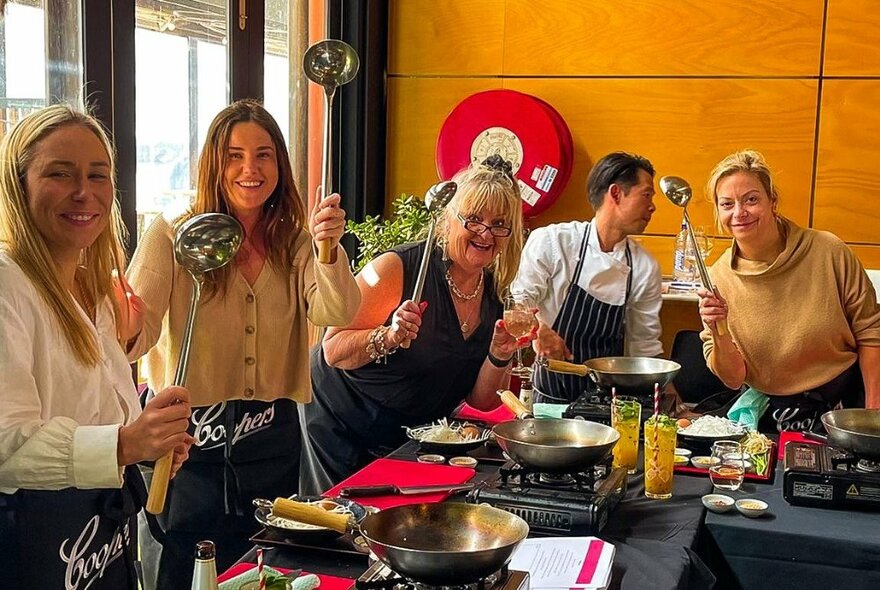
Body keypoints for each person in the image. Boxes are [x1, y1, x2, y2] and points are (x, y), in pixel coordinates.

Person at [125, 99, 360, 585]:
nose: (250, 169)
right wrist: (114, 320)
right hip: (190, 439)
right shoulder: (174, 233)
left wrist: (328, 249)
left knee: (260, 565)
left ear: (280, 163)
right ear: (214, 162)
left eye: (264, 154)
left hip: (272, 433)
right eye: (234, 155)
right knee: (190, 564)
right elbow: (136, 333)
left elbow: (336, 312)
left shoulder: (294, 239)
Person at [0, 105, 193, 589]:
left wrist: (148, 443)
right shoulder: (7, 286)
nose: (84, 192)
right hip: (35, 544)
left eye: (98, 175)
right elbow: (5, 445)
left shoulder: (95, 291)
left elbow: (98, 415)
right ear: (19, 185)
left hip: (101, 539)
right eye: (59, 174)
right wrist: (124, 443)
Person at [300, 156, 527, 494]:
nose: (485, 233)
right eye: (474, 219)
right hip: (342, 420)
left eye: (498, 223)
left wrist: (499, 353)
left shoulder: (495, 291)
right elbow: (333, 350)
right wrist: (388, 336)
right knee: (344, 527)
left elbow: (481, 402)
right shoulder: (399, 268)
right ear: (449, 220)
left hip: (408, 436)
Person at [697, 149, 880, 432]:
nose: (739, 213)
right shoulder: (717, 278)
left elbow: (871, 332)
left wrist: (872, 416)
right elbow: (734, 379)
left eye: (751, 199)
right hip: (770, 416)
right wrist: (716, 328)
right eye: (727, 204)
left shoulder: (827, 251)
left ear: (773, 201)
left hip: (843, 409)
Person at [512, 152, 663, 404]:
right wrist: (540, 330)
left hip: (609, 402)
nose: (653, 206)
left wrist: (666, 396)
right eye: (646, 194)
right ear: (616, 193)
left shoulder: (643, 265)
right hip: (551, 396)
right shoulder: (553, 242)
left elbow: (643, 345)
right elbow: (518, 301)